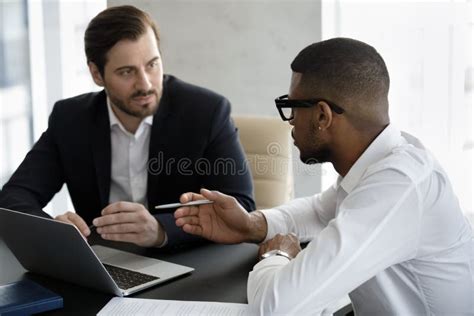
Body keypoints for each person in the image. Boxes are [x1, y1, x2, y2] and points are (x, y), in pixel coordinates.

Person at [174, 38, 474, 314]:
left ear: (322, 115)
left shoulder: (399, 185)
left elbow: (275, 307)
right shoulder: (382, 160)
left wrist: (275, 256)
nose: (290, 122)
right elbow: (319, 210)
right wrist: (251, 225)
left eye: (291, 107)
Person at [0, 5, 254, 249]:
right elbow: (13, 199)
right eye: (126, 72)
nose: (145, 84)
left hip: (186, 262)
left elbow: (242, 207)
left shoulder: (206, 112)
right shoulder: (71, 119)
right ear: (97, 74)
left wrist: (160, 230)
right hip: (102, 265)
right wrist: (55, 231)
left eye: (152, 64)